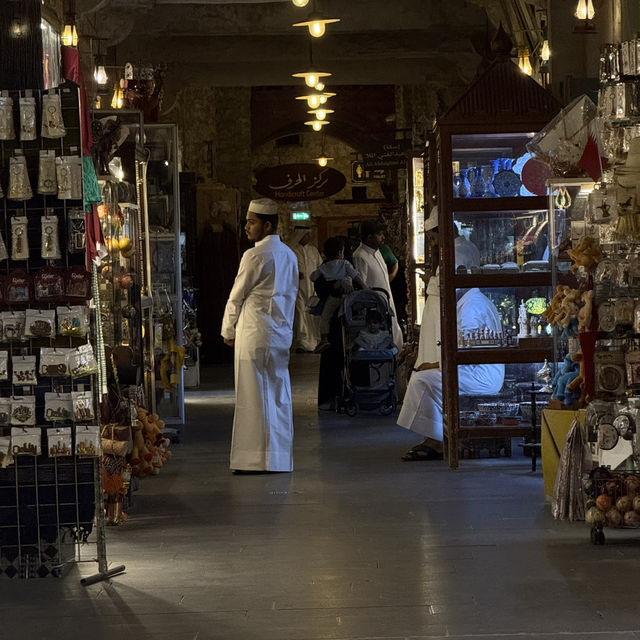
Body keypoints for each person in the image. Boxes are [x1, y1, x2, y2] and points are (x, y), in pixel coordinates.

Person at [221, 198, 298, 473]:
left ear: (267, 225)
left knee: (252, 397)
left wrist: (227, 330)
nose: (246, 227)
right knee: (277, 395)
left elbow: (237, 295)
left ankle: (253, 460)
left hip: (254, 334)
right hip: (278, 335)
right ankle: (277, 459)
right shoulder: (289, 255)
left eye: (251, 222)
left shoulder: (254, 256)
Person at [397, 287, 505, 461]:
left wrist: (436, 365)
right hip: (476, 370)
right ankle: (436, 434)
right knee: (427, 378)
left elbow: (467, 352)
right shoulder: (473, 301)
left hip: (481, 376)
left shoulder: (472, 307)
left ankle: (437, 440)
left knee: (421, 380)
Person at [352, 220, 403, 349]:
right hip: (376, 307)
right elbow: (362, 285)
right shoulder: (360, 256)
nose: (383, 238)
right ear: (369, 237)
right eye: (379, 235)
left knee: (394, 332)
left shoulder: (378, 252)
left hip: (387, 300)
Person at [310, 236, 367, 354]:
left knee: (326, 316)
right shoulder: (345, 263)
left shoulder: (324, 266)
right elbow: (356, 277)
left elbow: (313, 277)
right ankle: (352, 339)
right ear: (342, 251)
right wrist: (365, 288)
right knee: (349, 317)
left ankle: (324, 339)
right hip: (348, 297)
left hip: (332, 298)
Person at [289, 223, 322, 353]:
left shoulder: (313, 250)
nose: (309, 237)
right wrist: (296, 273)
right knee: (299, 313)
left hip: (312, 288)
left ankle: (313, 342)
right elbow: (284, 268)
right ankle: (301, 342)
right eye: (306, 234)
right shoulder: (291, 250)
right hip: (296, 288)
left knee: (311, 314)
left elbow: (320, 267)